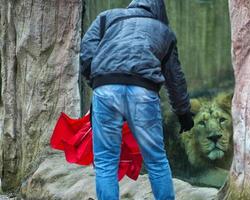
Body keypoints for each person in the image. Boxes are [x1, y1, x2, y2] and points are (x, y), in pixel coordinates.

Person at [80, 0, 194, 199]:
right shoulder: (164, 31)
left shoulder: (107, 18)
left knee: (106, 161)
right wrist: (183, 113)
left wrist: (98, 80)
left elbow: (87, 51)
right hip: (143, 93)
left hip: (105, 90)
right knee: (156, 160)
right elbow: (174, 78)